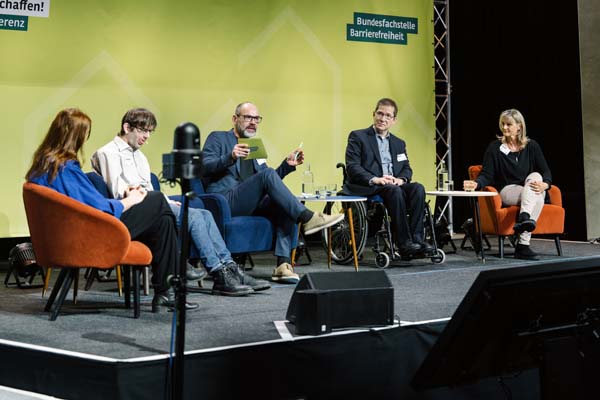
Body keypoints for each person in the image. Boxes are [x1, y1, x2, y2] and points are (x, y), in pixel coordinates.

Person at [25, 108, 198, 312]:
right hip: (93, 236)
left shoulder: (44, 165)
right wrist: (131, 200)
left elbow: (89, 204)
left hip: (75, 233)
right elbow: (99, 208)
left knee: (164, 221)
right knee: (158, 199)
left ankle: (165, 294)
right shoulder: (65, 168)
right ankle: (176, 273)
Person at [91, 108, 269, 296]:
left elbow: (149, 189)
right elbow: (120, 191)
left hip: (152, 204)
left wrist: (166, 200)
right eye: (143, 131)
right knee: (193, 217)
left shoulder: (140, 156)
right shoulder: (107, 153)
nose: (147, 137)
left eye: (150, 132)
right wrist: (160, 202)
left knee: (205, 214)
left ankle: (231, 268)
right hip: (132, 211)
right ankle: (219, 274)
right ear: (127, 127)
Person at [202, 102, 345, 284]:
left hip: (250, 203)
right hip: (225, 201)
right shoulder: (219, 138)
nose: (253, 122)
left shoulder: (254, 146)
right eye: (248, 117)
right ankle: (308, 218)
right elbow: (204, 166)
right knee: (267, 176)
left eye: (256, 119)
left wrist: (287, 166)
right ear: (235, 119)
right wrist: (229, 157)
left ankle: (283, 265)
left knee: (283, 203)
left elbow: (269, 182)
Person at [343, 98, 433, 256]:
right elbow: (353, 167)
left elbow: (406, 168)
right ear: (373, 114)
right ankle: (404, 243)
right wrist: (375, 179)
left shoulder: (399, 143)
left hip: (392, 185)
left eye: (387, 116)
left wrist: (401, 180)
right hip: (370, 185)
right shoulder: (358, 137)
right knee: (394, 191)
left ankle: (417, 241)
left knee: (418, 188)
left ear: (394, 120)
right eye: (380, 113)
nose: (382, 119)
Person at [463, 109, 552, 260]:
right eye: (502, 124)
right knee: (537, 195)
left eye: (508, 124)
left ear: (519, 126)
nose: (504, 128)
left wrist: (546, 185)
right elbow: (487, 175)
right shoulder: (495, 148)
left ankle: (524, 219)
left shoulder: (532, 146)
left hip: (528, 189)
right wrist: (476, 184)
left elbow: (546, 172)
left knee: (536, 177)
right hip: (507, 190)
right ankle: (523, 243)